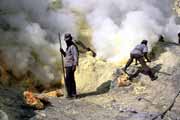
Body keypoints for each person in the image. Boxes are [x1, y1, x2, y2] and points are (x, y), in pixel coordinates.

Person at [60, 33, 79, 99]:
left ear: (70, 39)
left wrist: (74, 65)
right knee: (69, 79)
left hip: (71, 65)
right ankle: (71, 94)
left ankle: (72, 94)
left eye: (67, 40)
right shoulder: (68, 47)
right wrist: (63, 52)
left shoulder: (72, 47)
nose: (66, 41)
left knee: (69, 80)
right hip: (68, 66)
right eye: (66, 40)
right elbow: (67, 56)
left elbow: (75, 56)